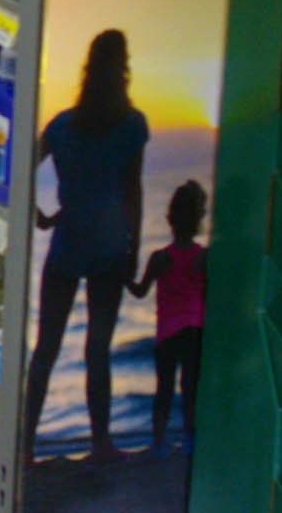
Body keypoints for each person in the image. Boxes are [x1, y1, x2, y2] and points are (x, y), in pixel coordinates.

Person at [28, 28, 146, 460]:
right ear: (123, 69)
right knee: (98, 349)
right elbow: (132, 191)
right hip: (110, 247)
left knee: (46, 349)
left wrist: (39, 214)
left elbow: (22, 168)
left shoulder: (62, 126)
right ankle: (100, 444)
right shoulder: (132, 126)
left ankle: (23, 446)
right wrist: (133, 250)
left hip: (67, 244)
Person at [134, 179, 207, 457]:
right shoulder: (203, 258)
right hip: (194, 330)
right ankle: (189, 441)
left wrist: (122, 277)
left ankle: (159, 442)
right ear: (199, 219)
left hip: (166, 333)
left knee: (163, 390)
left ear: (169, 219)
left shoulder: (160, 258)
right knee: (190, 389)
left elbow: (140, 292)